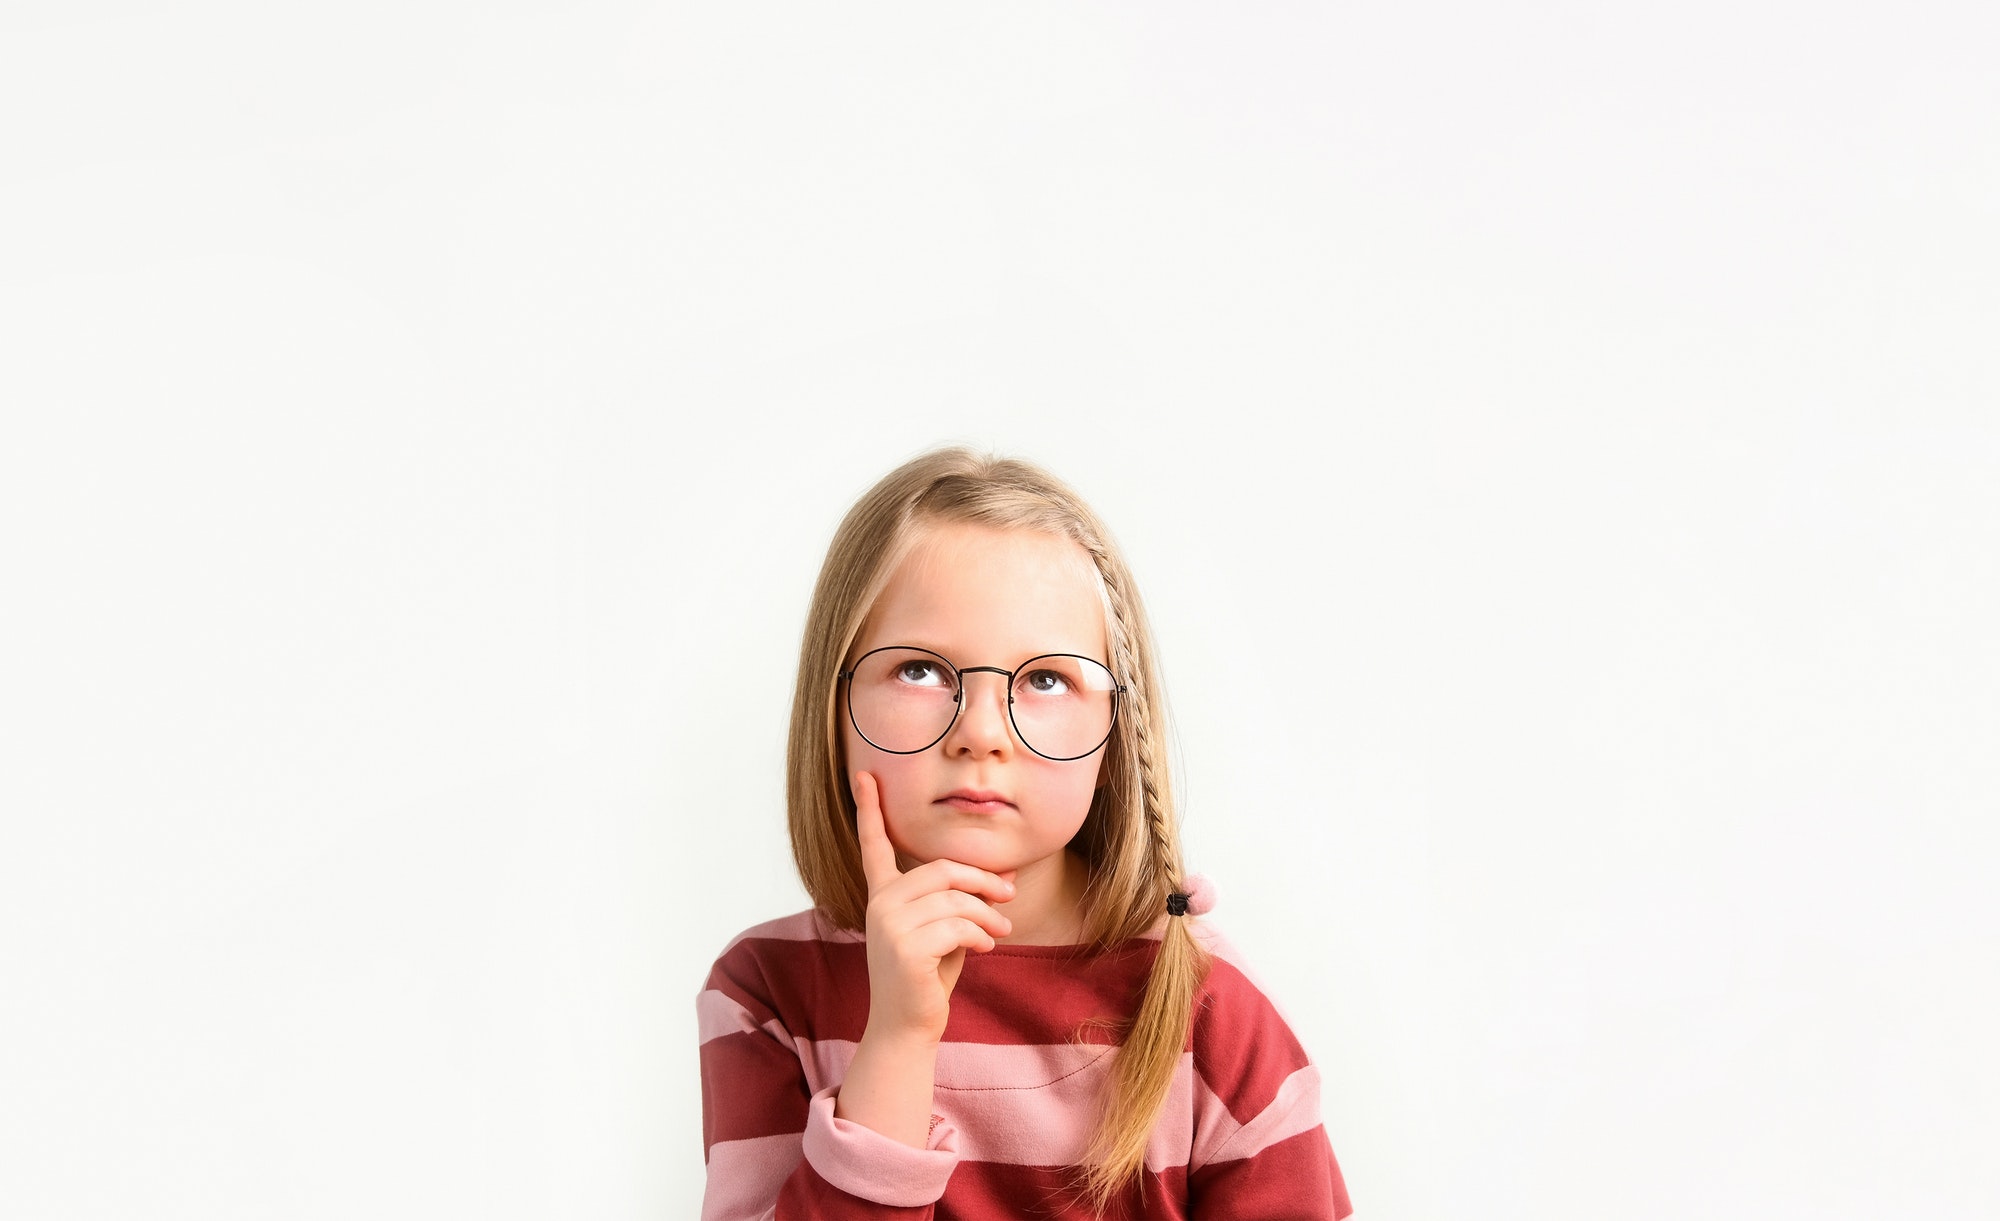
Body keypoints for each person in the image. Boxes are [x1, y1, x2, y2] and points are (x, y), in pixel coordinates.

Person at [696, 446, 1354, 1219]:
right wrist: (899, 1040)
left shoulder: (1204, 1004)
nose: (980, 731)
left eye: (1045, 679)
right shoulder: (766, 994)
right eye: (920, 670)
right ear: (832, 711)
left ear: (1117, 735)